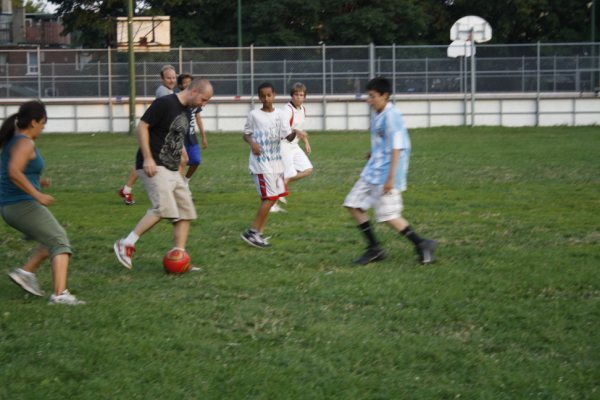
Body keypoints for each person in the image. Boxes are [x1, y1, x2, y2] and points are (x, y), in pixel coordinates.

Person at [114, 79, 214, 269]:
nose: (204, 104)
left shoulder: (186, 110)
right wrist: (148, 158)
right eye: (204, 99)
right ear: (193, 91)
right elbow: (142, 126)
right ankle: (126, 243)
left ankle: (179, 256)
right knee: (163, 208)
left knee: (185, 211)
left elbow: (174, 134)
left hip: (172, 167)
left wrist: (182, 152)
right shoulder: (165, 103)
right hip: (154, 165)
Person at [343, 77, 436, 265]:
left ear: (385, 96)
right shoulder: (378, 113)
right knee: (353, 204)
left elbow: (398, 147)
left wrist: (391, 178)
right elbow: (384, 140)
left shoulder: (392, 115)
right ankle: (374, 248)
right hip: (372, 171)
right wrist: (373, 152)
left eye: (372, 96)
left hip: (385, 174)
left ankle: (422, 243)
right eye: (368, 96)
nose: (369, 100)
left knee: (389, 216)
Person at [1, 100, 85, 305]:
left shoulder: (15, 140)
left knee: (49, 239)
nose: (43, 129)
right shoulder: (25, 142)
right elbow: (13, 172)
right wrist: (37, 194)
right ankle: (60, 294)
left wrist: (38, 183)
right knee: (59, 240)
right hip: (21, 204)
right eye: (42, 124)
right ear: (33, 122)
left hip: (14, 204)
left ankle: (25, 273)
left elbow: (17, 172)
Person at [241, 82, 298, 248]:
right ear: (259, 97)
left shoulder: (281, 115)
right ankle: (252, 232)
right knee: (270, 198)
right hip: (261, 163)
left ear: (274, 95)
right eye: (263, 96)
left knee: (274, 198)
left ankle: (259, 232)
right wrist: (252, 143)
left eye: (269, 95)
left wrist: (295, 132)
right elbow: (246, 134)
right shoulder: (254, 115)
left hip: (276, 163)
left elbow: (288, 136)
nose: (266, 99)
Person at [118, 65, 178, 205]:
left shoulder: (168, 91)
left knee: (147, 163)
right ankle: (172, 191)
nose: (172, 80)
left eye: (174, 77)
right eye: (168, 78)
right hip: (155, 134)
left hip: (158, 133)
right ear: (162, 78)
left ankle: (127, 189)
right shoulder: (163, 92)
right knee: (148, 163)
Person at [274, 82, 313, 212]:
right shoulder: (287, 109)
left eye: (301, 95)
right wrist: (297, 132)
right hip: (284, 144)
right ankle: (272, 205)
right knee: (289, 173)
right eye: (296, 95)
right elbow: (284, 128)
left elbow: (301, 129)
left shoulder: (303, 110)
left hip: (294, 145)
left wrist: (306, 142)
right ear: (292, 96)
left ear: (304, 97)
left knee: (307, 169)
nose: (298, 97)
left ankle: (280, 183)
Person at [176, 73, 208, 182]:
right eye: (185, 83)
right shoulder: (177, 100)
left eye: (190, 83)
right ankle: (178, 189)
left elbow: (198, 118)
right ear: (180, 85)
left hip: (191, 137)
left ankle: (185, 181)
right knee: (181, 162)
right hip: (179, 137)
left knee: (196, 161)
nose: (187, 85)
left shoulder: (196, 101)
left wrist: (203, 137)